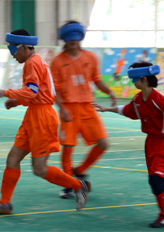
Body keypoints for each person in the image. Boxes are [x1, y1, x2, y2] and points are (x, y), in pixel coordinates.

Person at [0, 29, 90, 214]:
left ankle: (77, 185)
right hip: (33, 116)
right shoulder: (35, 62)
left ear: (24, 48)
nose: (12, 55)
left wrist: (5, 92)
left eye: (13, 50)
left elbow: (32, 92)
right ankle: (5, 203)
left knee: (39, 169)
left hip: (42, 119)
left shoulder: (32, 63)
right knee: (12, 158)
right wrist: (17, 101)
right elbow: (39, 94)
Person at [92, 62, 164, 228]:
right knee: (161, 180)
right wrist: (106, 109)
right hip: (150, 143)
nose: (132, 82)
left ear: (143, 79)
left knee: (156, 179)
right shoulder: (138, 99)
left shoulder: (158, 100)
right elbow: (127, 110)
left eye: (134, 79)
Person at [50, 21, 117, 199]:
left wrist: (109, 91)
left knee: (103, 143)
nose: (73, 41)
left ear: (80, 37)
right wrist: (62, 109)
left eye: (76, 38)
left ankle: (80, 170)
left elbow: (96, 79)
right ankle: (67, 184)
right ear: (64, 39)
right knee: (68, 147)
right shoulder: (57, 61)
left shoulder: (91, 57)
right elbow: (55, 89)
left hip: (88, 107)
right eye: (69, 38)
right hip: (69, 109)